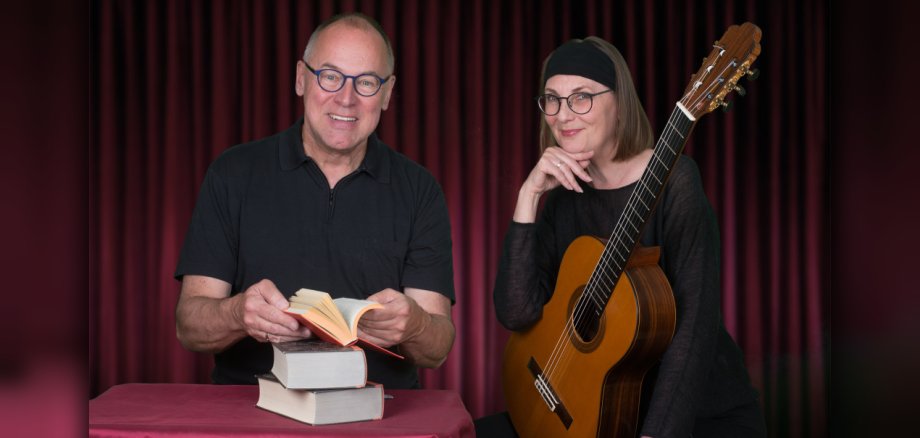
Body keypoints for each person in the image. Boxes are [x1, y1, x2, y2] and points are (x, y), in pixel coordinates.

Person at [483, 37, 766, 437]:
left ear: (619, 104)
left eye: (582, 97)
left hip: (697, 416)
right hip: (597, 411)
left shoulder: (676, 182)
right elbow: (517, 313)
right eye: (552, 99)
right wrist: (528, 195)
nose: (563, 115)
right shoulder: (565, 197)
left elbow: (693, 333)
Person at [174, 12, 456, 390]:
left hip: (379, 414)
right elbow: (189, 326)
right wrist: (238, 314)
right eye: (330, 76)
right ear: (300, 79)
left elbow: (437, 347)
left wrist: (417, 324)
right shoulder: (233, 173)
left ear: (387, 94)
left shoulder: (420, 189)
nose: (346, 98)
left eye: (367, 82)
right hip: (251, 410)